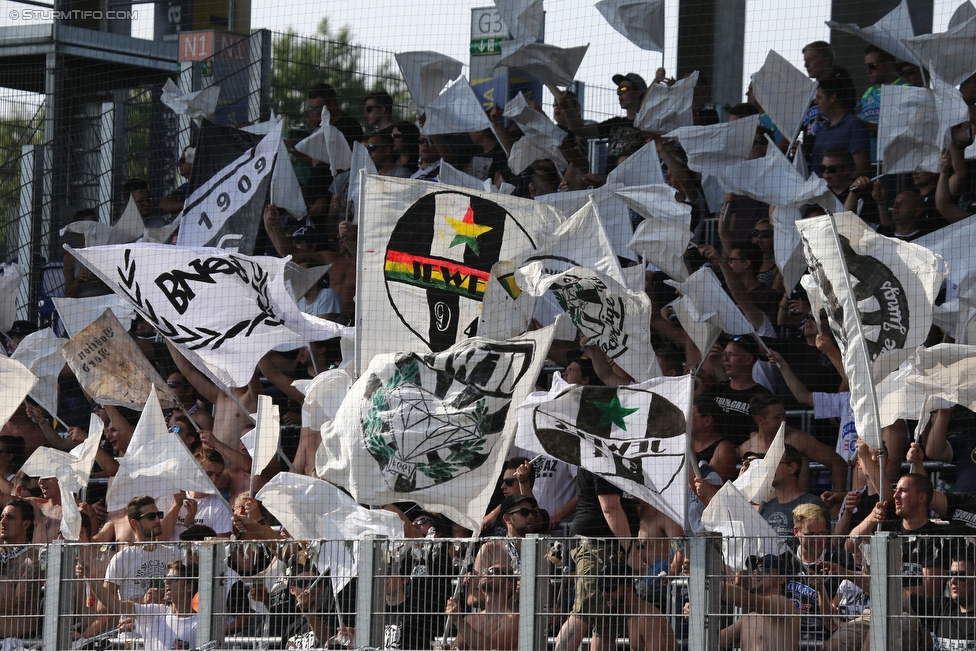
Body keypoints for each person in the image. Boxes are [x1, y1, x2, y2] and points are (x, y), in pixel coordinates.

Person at [739, 394, 847, 495]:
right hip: (761, 510)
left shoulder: (799, 439)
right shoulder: (747, 448)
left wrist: (837, 503)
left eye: (784, 415)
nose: (783, 421)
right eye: (777, 418)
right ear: (760, 420)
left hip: (798, 509)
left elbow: (838, 462)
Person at [90, 560, 199, 651]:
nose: (166, 581)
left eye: (174, 578)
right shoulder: (156, 612)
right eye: (166, 577)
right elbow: (115, 605)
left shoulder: (198, 625)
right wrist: (89, 578)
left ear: (189, 587)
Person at [103, 496, 181, 601]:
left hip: (168, 617)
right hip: (135, 617)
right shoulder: (121, 558)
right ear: (135, 523)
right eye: (151, 516)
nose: (158, 520)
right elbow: (103, 606)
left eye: (159, 515)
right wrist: (143, 600)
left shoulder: (174, 553)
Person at [697, 338, 773, 446]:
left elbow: (759, 439)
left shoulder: (762, 396)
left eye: (732, 354)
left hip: (741, 459)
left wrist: (731, 453)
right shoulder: (716, 389)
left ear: (748, 359)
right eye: (724, 354)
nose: (725, 358)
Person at [720, 554, 800, 651]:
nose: (756, 572)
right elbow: (717, 640)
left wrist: (718, 586)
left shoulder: (785, 605)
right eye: (754, 569)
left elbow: (748, 600)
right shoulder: (747, 619)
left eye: (763, 568)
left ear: (781, 579)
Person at [909, 547, 976, 648]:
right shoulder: (941, 607)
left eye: (960, 575)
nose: (953, 581)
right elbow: (898, 597)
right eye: (950, 575)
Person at [757, 445, 828, 538]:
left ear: (792, 467)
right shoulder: (765, 506)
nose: (769, 468)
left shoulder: (812, 503)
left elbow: (821, 544)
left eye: (775, 463)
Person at [445, 563, 518, 651]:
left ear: (508, 584)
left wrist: (458, 621)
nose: (487, 572)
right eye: (486, 570)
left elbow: (491, 647)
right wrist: (445, 648)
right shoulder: (470, 619)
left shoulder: (512, 619)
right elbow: (456, 648)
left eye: (495, 571)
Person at [810, 74, 871, 177]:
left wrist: (843, 190)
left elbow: (862, 169)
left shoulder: (854, 125)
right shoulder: (823, 129)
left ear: (832, 97)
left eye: (819, 97)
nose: (816, 102)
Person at [0, 499, 43, 640]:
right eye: (2, 516)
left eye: (10, 518)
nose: (3, 522)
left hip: (20, 640)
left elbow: (20, 603)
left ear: (25, 524)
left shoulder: (32, 559)